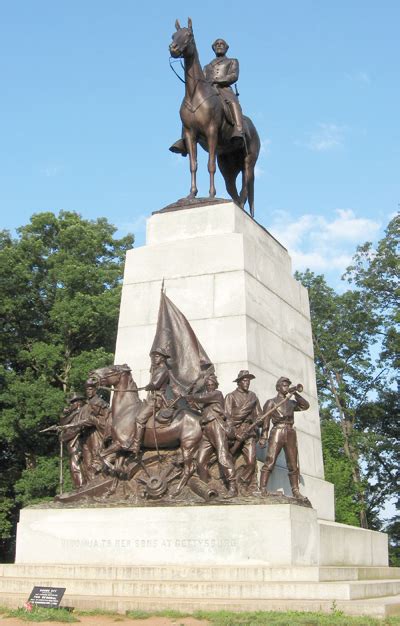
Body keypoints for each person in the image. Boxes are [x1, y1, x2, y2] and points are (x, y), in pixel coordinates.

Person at [170, 38, 244, 156]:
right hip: (208, 91)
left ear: (226, 47)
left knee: (233, 103)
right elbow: (202, 79)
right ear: (213, 48)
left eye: (222, 44)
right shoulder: (207, 66)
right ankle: (184, 140)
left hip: (224, 89)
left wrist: (218, 80)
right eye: (217, 44)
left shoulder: (232, 61)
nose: (219, 46)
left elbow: (234, 76)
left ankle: (238, 130)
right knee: (188, 108)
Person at [259, 376, 310, 501]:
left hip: (290, 432)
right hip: (277, 430)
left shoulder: (291, 403)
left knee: (293, 463)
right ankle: (262, 488)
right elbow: (265, 421)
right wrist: (263, 437)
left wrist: (295, 393)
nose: (286, 387)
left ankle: (296, 491)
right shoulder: (271, 402)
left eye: (288, 385)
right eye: (284, 385)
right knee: (270, 460)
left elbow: (305, 406)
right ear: (278, 387)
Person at [187, 374, 238, 497]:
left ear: (215, 385)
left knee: (222, 456)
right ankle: (206, 486)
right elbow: (196, 404)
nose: (210, 387)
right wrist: (189, 399)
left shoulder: (216, 394)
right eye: (208, 385)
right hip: (206, 430)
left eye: (212, 385)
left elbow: (201, 397)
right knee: (200, 460)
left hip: (216, 426)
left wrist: (187, 396)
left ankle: (233, 487)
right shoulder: (207, 402)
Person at [224, 369, 262, 487]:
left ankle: (243, 482)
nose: (247, 383)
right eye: (245, 380)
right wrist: (235, 433)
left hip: (249, 431)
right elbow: (227, 417)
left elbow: (259, 414)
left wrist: (259, 420)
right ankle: (227, 482)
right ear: (239, 382)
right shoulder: (230, 396)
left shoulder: (253, 397)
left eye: (249, 381)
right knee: (229, 457)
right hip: (236, 431)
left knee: (251, 462)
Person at [130, 348, 171, 456]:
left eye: (157, 356)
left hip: (156, 400)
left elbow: (155, 384)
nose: (154, 359)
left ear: (162, 358)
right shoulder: (158, 369)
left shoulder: (163, 369)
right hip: (153, 398)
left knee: (139, 419)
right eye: (153, 356)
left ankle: (136, 445)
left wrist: (148, 386)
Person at [59, 394, 87, 488]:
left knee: (76, 465)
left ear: (78, 402)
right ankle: (78, 485)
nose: (70, 405)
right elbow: (62, 423)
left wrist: (65, 437)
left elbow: (78, 429)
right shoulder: (74, 414)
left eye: (72, 403)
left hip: (78, 443)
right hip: (71, 444)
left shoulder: (83, 412)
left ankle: (81, 485)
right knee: (73, 465)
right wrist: (71, 413)